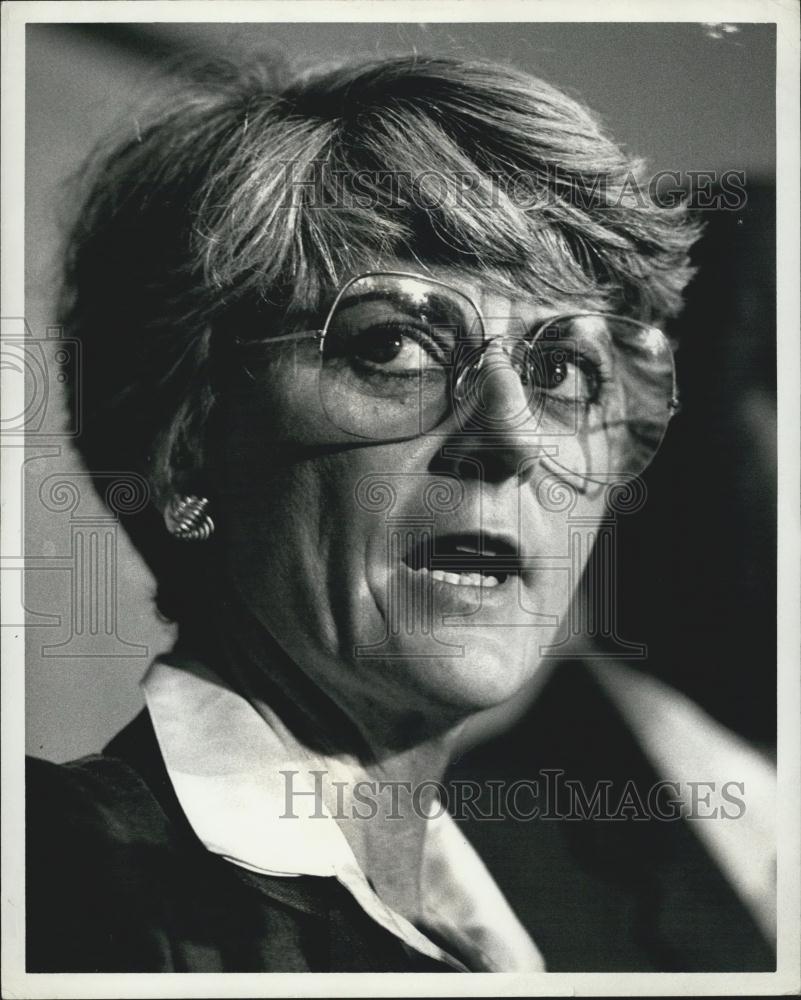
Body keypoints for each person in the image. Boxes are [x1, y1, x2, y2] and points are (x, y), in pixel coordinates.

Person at [26, 53, 774, 973]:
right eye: (395, 346)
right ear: (187, 450)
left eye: (562, 372)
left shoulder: (534, 938)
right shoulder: (56, 884)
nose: (512, 437)